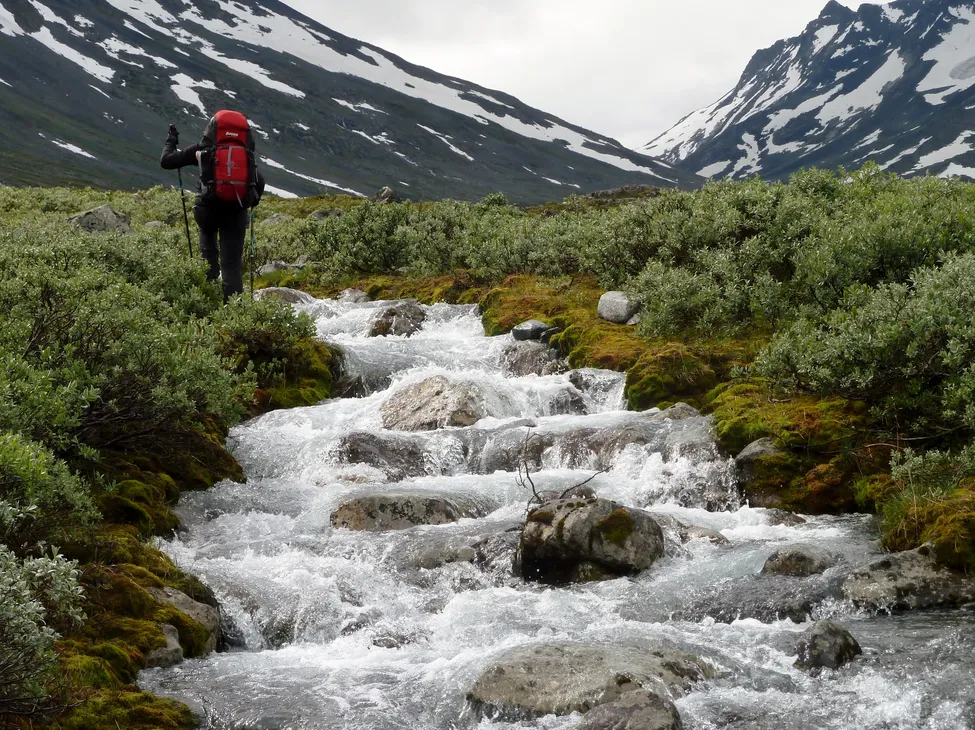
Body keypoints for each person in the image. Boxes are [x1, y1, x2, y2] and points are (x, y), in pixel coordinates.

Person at [160, 112, 266, 301]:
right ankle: (234, 316)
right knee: (232, 268)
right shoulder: (246, 153)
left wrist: (171, 141)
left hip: (207, 211)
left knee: (207, 253)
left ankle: (208, 302)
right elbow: (259, 181)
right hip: (237, 212)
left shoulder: (203, 149)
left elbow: (166, 161)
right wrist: (252, 200)